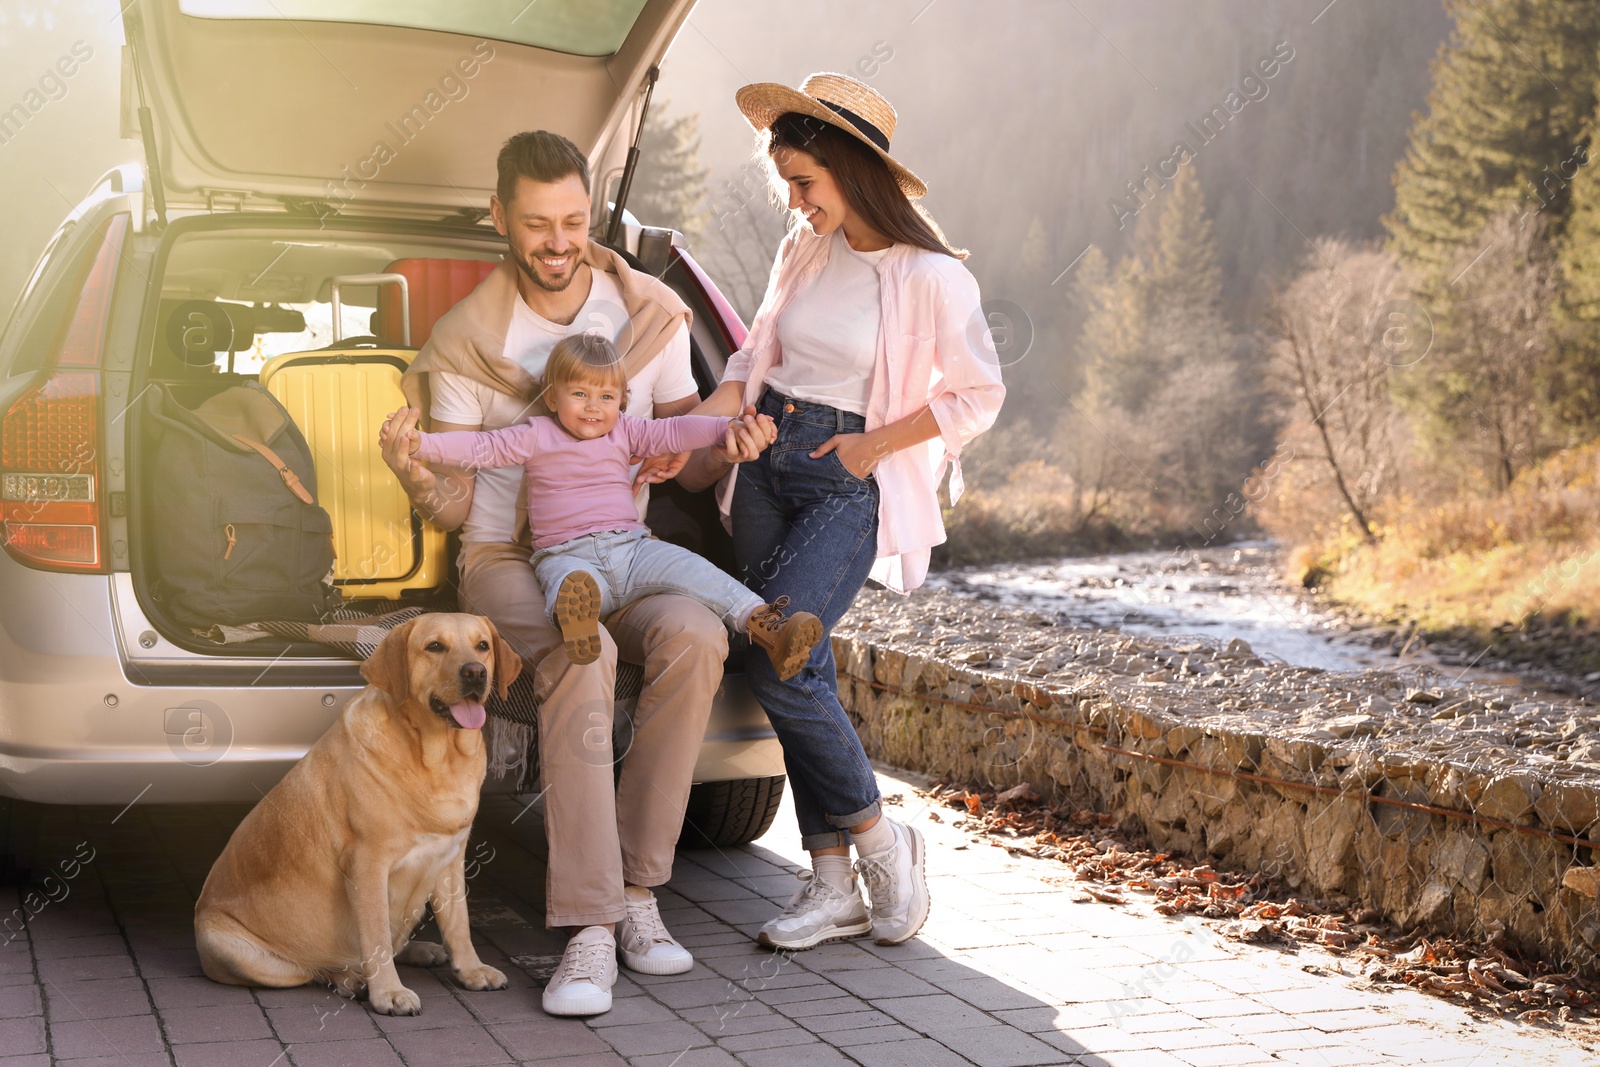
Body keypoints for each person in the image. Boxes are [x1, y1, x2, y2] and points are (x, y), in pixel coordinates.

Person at [380, 130, 771, 1018]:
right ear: (500, 219)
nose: (558, 241)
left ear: (590, 212)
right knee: (579, 657)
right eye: (535, 224)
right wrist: (412, 469)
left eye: (573, 219)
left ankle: (637, 891)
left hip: (619, 550)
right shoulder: (467, 342)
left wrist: (723, 445)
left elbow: (691, 454)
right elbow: (452, 503)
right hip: (506, 561)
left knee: (698, 632)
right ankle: (590, 924)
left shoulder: (648, 315)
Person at [678, 74, 1006, 951]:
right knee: (785, 660)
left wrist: (874, 445)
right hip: (766, 463)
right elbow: (756, 349)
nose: (795, 203)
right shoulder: (804, 248)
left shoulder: (930, 277)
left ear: (852, 172)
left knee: (786, 652)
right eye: (787, 185)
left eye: (805, 185)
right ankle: (831, 885)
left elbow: (978, 394)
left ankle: (882, 844)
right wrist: (716, 418)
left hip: (843, 478)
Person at [384, 333, 822, 677]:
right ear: (553, 398)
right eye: (579, 394)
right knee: (564, 584)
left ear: (622, 402)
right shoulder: (536, 434)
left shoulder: (628, 433)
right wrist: (421, 443)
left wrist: (729, 426)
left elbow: (677, 431)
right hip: (565, 553)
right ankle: (578, 627)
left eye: (606, 397)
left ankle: (770, 627)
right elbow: (479, 447)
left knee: (697, 571)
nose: (594, 407)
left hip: (633, 551)